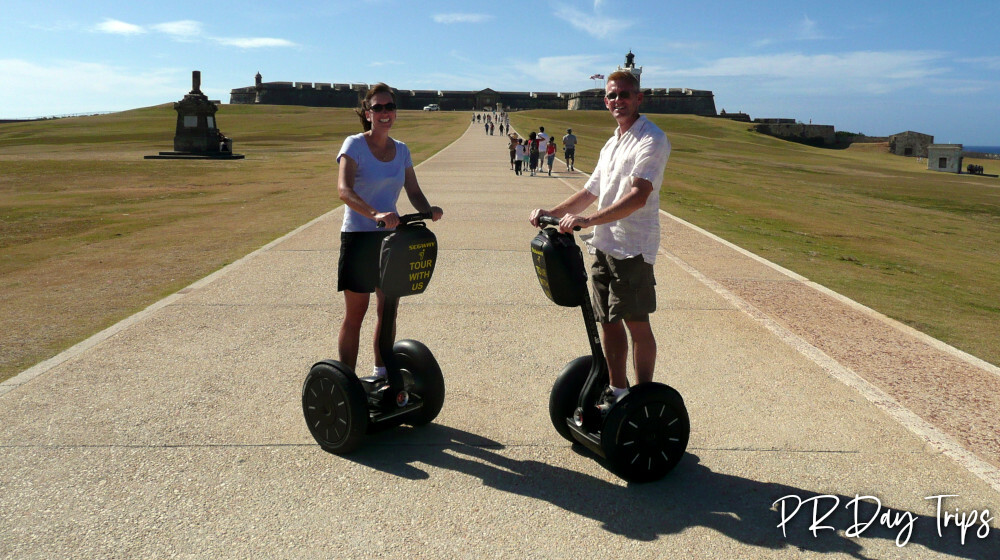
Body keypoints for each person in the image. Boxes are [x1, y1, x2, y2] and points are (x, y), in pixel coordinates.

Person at [528, 71, 670, 413]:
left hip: (632, 247)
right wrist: (553, 212)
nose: (617, 100)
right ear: (605, 101)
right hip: (603, 244)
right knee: (606, 320)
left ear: (638, 98)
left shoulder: (651, 139)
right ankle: (618, 390)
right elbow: (590, 191)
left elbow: (638, 197)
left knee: (637, 323)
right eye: (612, 96)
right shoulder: (612, 143)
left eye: (624, 94)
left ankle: (644, 399)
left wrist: (587, 220)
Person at [337, 83, 444, 381]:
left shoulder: (402, 151)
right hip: (359, 237)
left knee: (388, 313)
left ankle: (381, 373)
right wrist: (375, 214)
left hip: (391, 239)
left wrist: (428, 210)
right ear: (368, 112)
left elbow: (413, 191)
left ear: (395, 113)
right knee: (355, 315)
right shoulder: (354, 145)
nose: (384, 113)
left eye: (389, 107)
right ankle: (346, 381)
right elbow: (344, 191)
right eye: (378, 107)